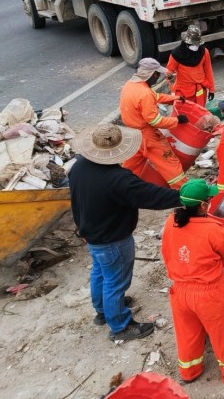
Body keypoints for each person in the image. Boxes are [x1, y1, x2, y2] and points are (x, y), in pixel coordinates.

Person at [70, 123, 181, 340]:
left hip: (90, 232)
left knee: (100, 273)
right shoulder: (118, 179)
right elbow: (151, 196)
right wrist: (182, 197)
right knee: (116, 280)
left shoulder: (79, 166)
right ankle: (120, 326)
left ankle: (103, 311)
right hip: (113, 238)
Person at [160, 179, 224, 384]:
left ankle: (190, 371)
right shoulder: (211, 228)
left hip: (180, 291)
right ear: (203, 205)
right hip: (208, 294)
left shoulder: (171, 220)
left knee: (187, 333)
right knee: (221, 333)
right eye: (209, 199)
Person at [120, 57, 188, 189]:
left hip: (133, 137)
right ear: (151, 74)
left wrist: (174, 98)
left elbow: (154, 97)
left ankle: (120, 191)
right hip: (149, 137)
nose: (158, 77)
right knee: (171, 165)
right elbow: (156, 121)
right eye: (157, 74)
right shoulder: (145, 93)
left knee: (130, 168)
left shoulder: (130, 86)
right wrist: (178, 120)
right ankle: (186, 195)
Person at [165, 25, 215, 107]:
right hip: (183, 93)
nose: (196, 46)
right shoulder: (176, 54)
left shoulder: (204, 52)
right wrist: (173, 92)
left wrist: (211, 89)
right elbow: (169, 74)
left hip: (200, 91)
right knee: (185, 117)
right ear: (187, 43)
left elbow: (208, 71)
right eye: (193, 44)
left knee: (200, 115)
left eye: (197, 44)